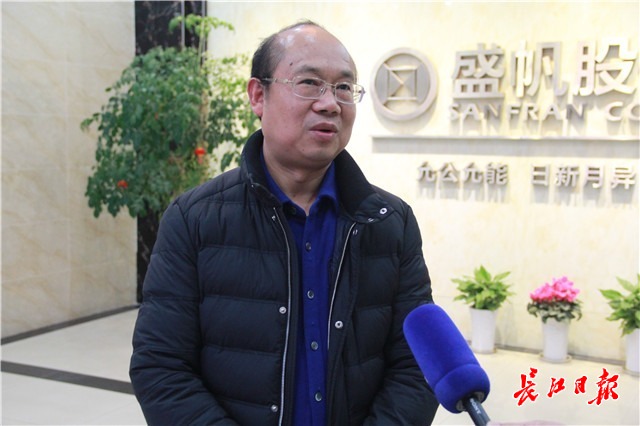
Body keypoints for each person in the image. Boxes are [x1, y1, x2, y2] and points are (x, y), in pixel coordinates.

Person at [130, 20, 439, 425]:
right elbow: (161, 367)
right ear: (258, 96)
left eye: (344, 87)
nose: (330, 103)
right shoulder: (194, 220)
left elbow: (417, 365)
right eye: (309, 83)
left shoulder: (389, 222)